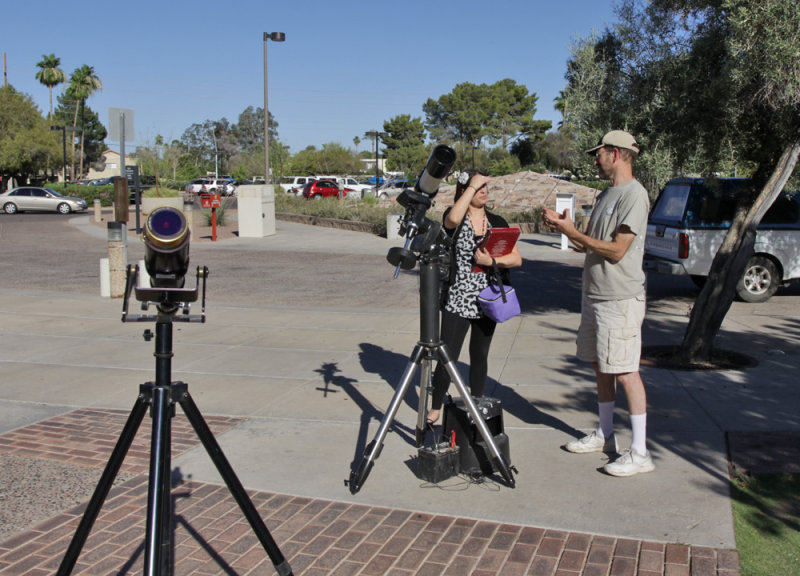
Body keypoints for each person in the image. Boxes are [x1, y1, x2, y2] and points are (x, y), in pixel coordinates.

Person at [543, 130, 654, 477]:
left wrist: (576, 235)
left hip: (620, 299)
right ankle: (606, 435)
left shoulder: (635, 195)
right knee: (600, 365)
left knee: (625, 371)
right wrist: (567, 229)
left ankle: (640, 453)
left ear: (617, 154)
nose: (595, 159)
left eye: (600, 153)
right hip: (595, 295)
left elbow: (618, 250)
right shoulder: (607, 194)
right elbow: (587, 245)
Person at [426, 170, 522, 424]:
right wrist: (470, 187)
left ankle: (476, 402)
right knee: (448, 356)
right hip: (458, 298)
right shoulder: (456, 217)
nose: (483, 190)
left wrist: (492, 260)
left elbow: (517, 258)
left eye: (484, 187)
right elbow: (450, 221)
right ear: (464, 190)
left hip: (487, 299)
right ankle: (435, 406)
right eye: (477, 187)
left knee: (480, 354)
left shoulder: (497, 221)